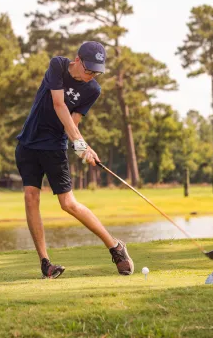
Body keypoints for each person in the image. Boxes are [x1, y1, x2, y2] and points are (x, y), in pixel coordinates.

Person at [15, 41, 134, 279]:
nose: (91, 76)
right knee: (31, 197)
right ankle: (45, 263)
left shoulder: (93, 90)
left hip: (54, 148)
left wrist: (81, 147)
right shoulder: (57, 66)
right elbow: (59, 105)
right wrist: (81, 144)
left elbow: (73, 122)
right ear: (78, 60)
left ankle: (115, 247)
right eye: (89, 70)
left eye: (96, 72)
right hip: (28, 144)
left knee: (68, 204)